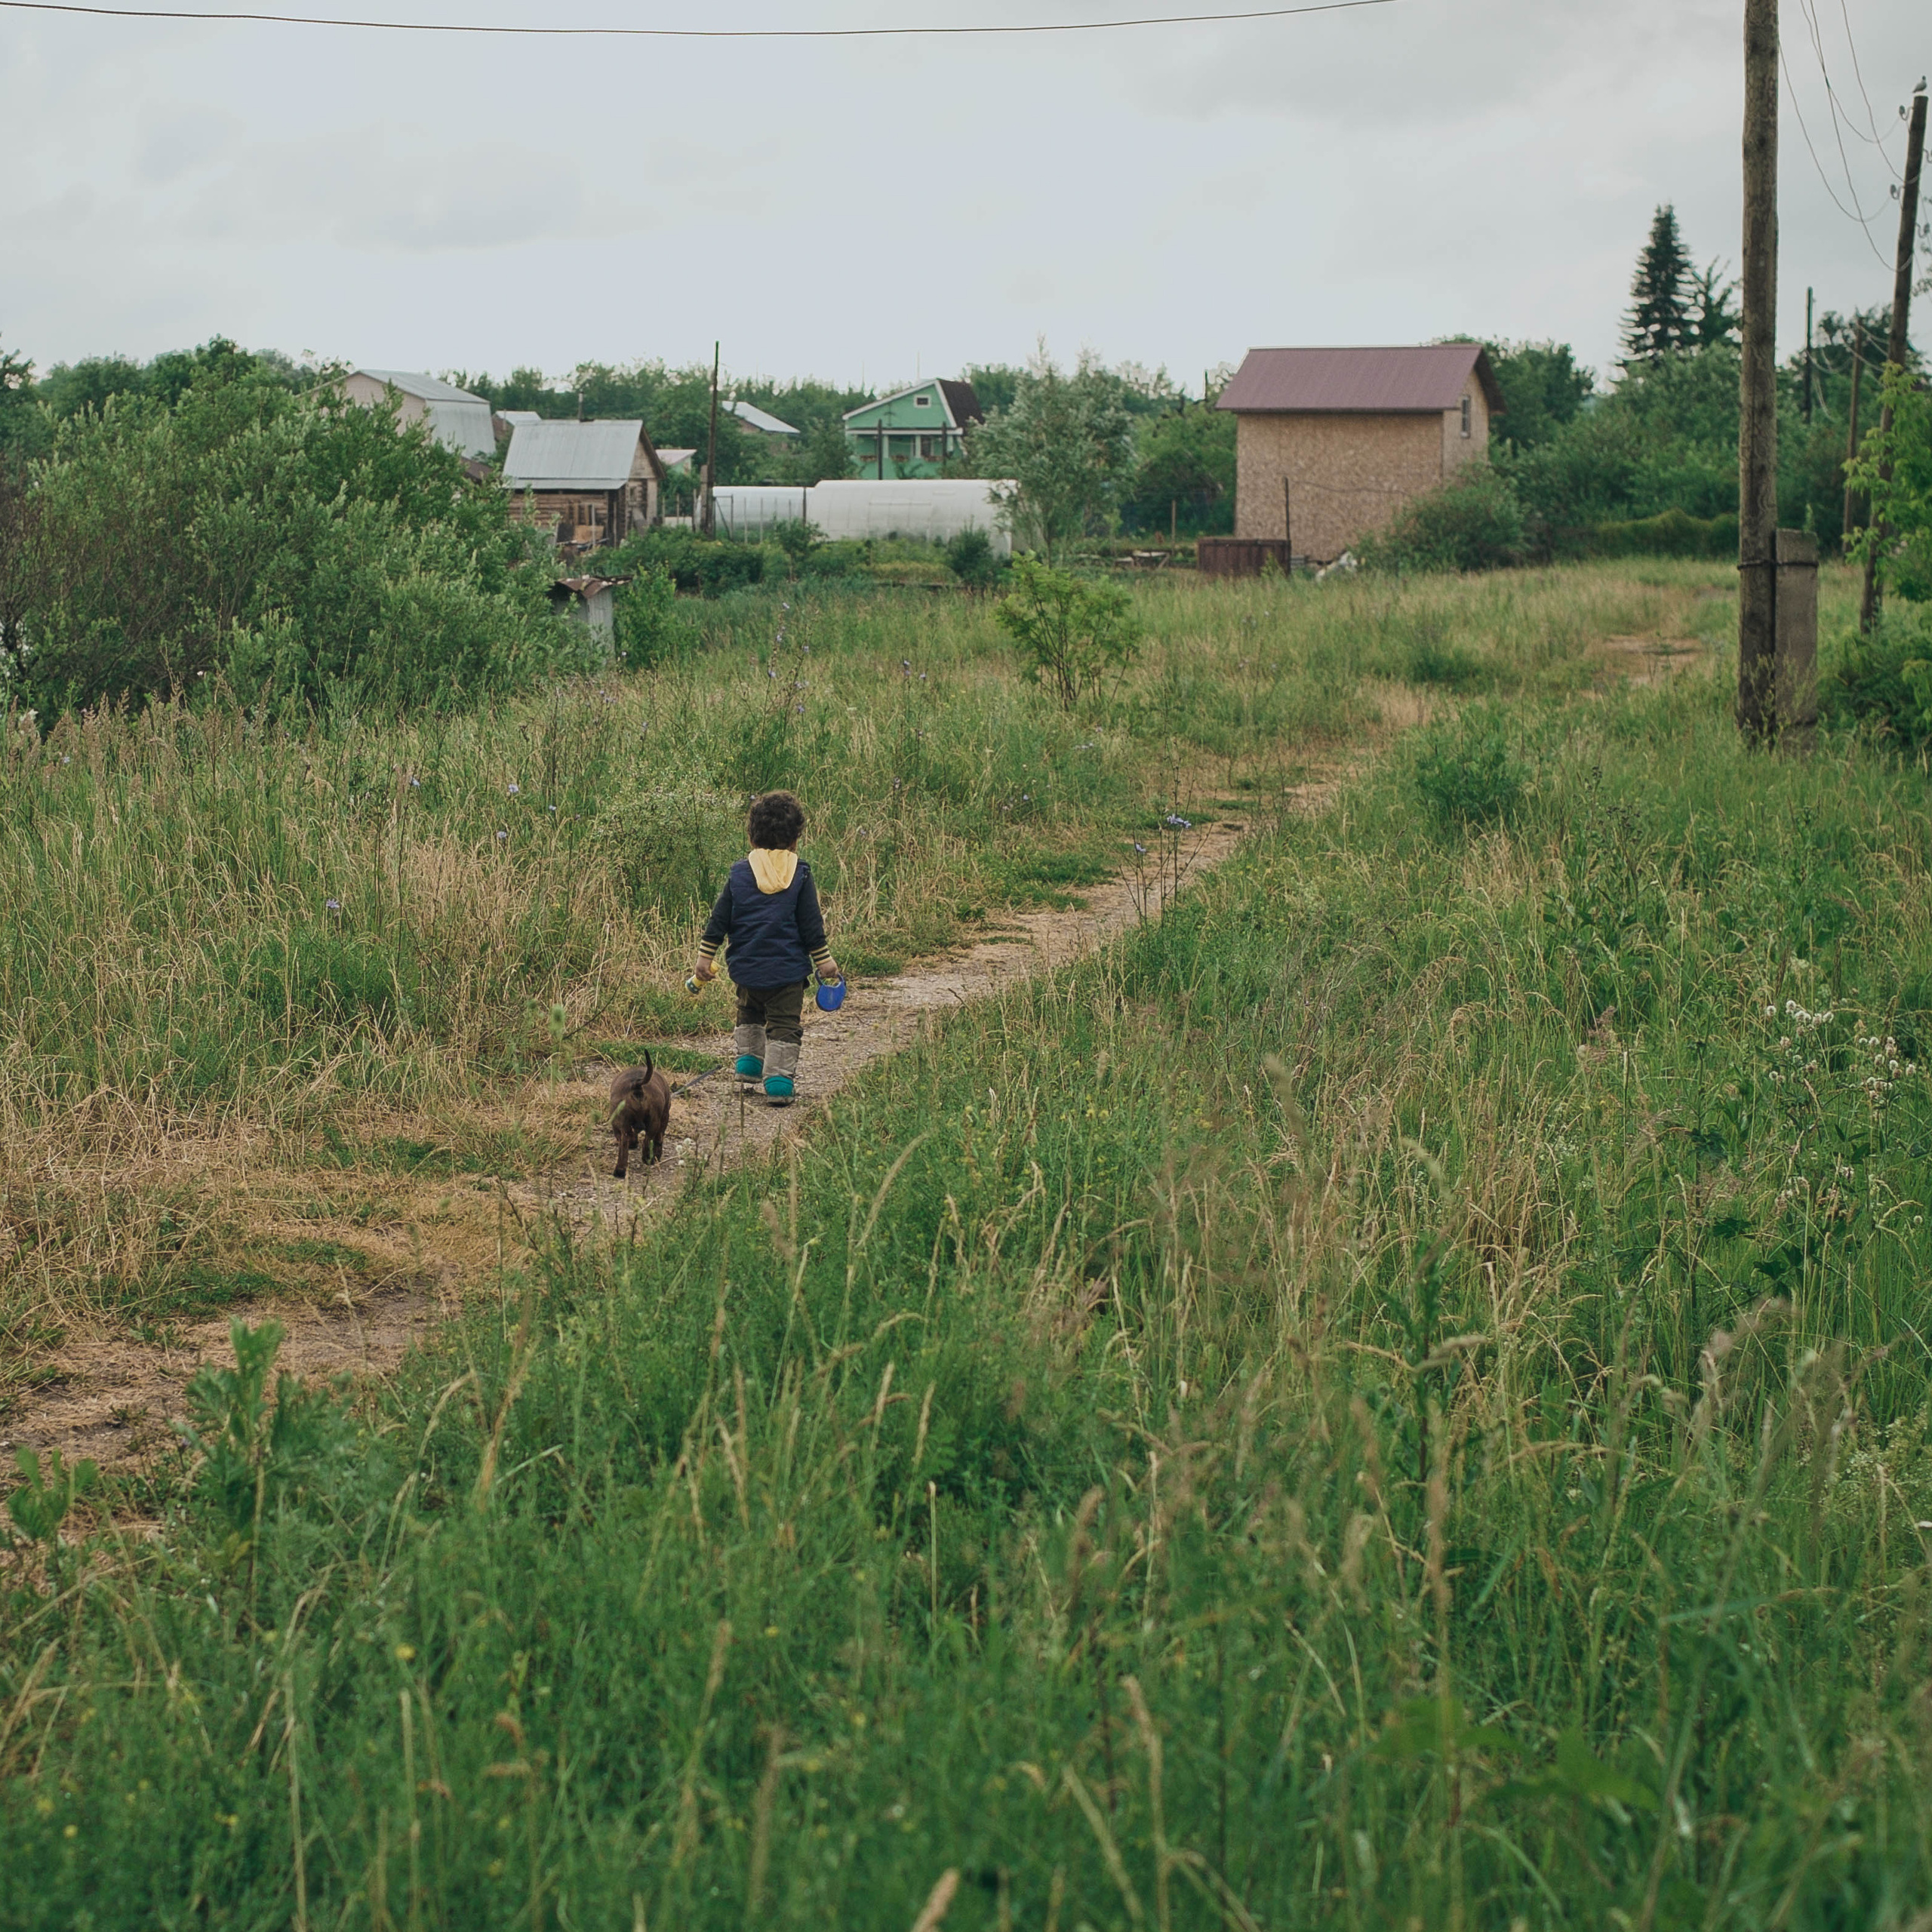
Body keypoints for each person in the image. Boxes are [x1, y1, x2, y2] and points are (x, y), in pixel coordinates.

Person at [691, 789, 840, 1105]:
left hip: (746, 968)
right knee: (785, 1024)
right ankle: (778, 1083)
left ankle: (748, 1065)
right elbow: (811, 926)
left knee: (749, 1012)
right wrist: (825, 963)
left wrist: (705, 958)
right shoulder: (800, 874)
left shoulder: (739, 873)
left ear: (751, 837)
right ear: (795, 839)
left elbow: (719, 920)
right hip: (787, 973)